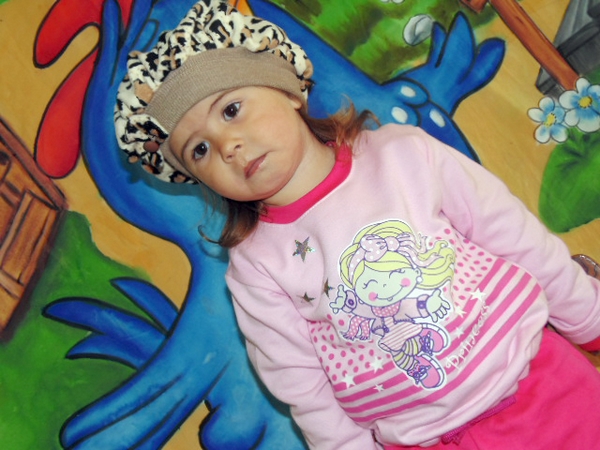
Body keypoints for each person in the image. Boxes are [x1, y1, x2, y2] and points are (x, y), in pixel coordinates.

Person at [114, 1, 600, 448]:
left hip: (542, 380)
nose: (227, 146)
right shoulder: (256, 268)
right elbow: (304, 389)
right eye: (199, 149)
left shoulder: (403, 156)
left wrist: (588, 318)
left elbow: (515, 236)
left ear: (286, 89)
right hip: (428, 442)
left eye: (231, 109)